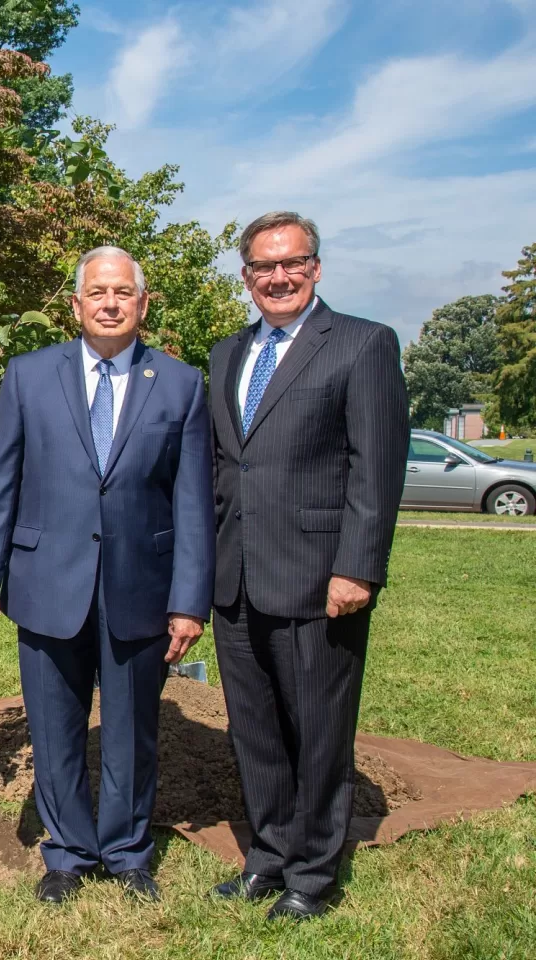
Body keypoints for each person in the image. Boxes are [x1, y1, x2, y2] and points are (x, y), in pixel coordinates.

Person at [0, 246, 215, 905]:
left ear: (143, 303)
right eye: (97, 293)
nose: (110, 303)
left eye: (123, 293)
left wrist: (190, 601)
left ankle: (129, 853)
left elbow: (193, 504)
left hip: (142, 586)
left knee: (133, 728)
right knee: (55, 726)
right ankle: (68, 854)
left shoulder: (182, 386)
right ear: (75, 306)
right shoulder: (27, 376)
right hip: (46, 582)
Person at [206, 212, 408, 921]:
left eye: (293, 263)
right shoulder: (227, 354)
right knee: (254, 731)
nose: (279, 277)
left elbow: (375, 471)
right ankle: (267, 857)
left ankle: (314, 876)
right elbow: (226, 467)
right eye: (264, 267)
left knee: (320, 733)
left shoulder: (362, 345)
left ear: (316, 268)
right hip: (234, 583)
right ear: (247, 277)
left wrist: (358, 569)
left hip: (321, 582)